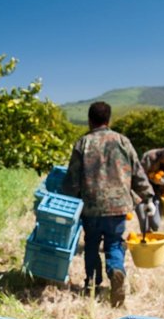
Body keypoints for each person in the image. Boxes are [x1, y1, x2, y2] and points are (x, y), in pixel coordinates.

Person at [62, 101, 156, 307]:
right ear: (108, 119)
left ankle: (92, 284)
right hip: (119, 206)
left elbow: (72, 179)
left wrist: (66, 198)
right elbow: (138, 172)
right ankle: (116, 270)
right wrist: (148, 197)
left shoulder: (83, 143)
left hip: (92, 206)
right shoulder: (123, 141)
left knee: (92, 244)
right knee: (114, 243)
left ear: (89, 120)